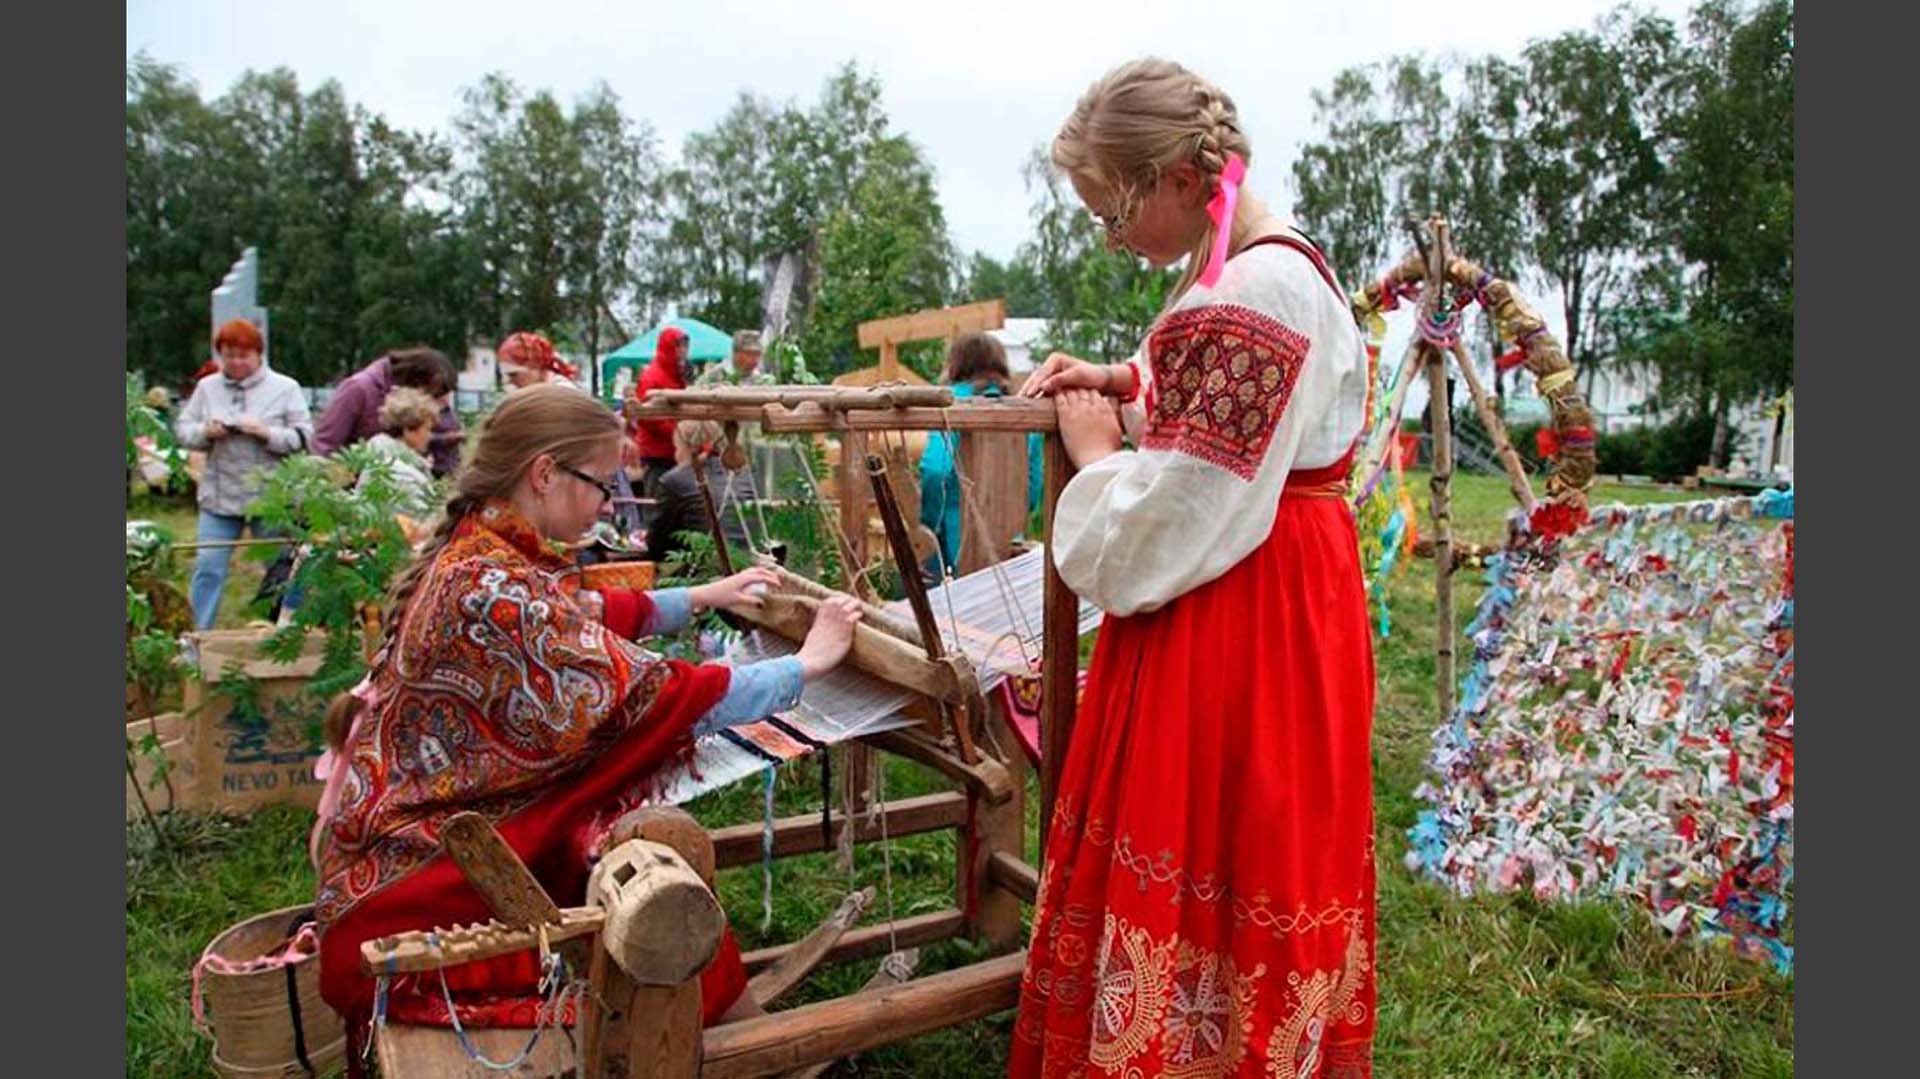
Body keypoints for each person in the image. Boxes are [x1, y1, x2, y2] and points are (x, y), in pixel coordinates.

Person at [310, 384, 864, 1071]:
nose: (608, 501)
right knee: (660, 895)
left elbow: (579, 610)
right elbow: (655, 692)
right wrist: (808, 664)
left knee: (631, 869)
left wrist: (700, 597)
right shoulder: (494, 591)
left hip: (410, 865)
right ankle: (762, 1052)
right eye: (599, 483)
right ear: (544, 473)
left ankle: (759, 1044)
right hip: (422, 902)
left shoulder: (482, 552)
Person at [1008, 59, 1376, 1078]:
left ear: (1174, 177)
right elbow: (1248, 408)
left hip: (1237, 603)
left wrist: (1094, 460)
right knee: (1267, 835)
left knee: (1220, 825)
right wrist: (1126, 379)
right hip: (1295, 584)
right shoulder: (1276, 264)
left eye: (1111, 209)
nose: (1111, 237)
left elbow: (1176, 512)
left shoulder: (1252, 289)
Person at [174, 319, 315, 630]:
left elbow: (305, 437)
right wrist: (206, 432)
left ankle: (287, 633)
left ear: (259, 355)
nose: (235, 362)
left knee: (281, 570)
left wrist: (265, 433)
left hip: (270, 499)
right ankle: (196, 640)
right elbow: (183, 431)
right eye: (229, 355)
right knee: (208, 568)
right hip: (220, 497)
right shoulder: (206, 388)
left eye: (243, 356)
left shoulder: (285, 388)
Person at [916, 332, 1043, 576]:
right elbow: (1033, 490)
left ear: (956, 364)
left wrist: (928, 526)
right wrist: (1010, 522)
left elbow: (935, 471)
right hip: (1010, 549)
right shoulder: (1026, 412)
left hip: (954, 551)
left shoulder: (950, 404)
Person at [311, 347, 464, 477]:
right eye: (431, 394)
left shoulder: (417, 402)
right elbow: (324, 446)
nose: (434, 402)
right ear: (414, 380)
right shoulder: (358, 389)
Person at [644, 420, 760, 565]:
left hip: (700, 568)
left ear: (687, 448)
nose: (675, 455)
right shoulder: (745, 476)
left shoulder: (674, 481)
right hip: (747, 563)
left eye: (677, 448)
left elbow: (656, 545)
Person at [628, 326, 692, 518]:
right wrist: (681, 432)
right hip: (658, 454)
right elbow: (648, 417)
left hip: (678, 452)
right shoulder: (651, 376)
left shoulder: (679, 375)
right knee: (658, 506)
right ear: (669, 347)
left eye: (685, 346)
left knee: (677, 505)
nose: (683, 350)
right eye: (679, 345)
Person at [355, 387, 439, 518]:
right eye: (428, 429)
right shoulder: (401, 474)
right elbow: (422, 523)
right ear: (408, 429)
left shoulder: (378, 457)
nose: (430, 436)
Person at [497, 330, 579, 390]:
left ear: (536, 366)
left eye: (513, 374)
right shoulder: (537, 395)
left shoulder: (561, 393)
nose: (506, 382)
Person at [697, 329, 774, 387]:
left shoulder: (762, 380)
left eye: (758, 354)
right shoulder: (715, 375)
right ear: (736, 353)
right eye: (749, 353)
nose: (755, 359)